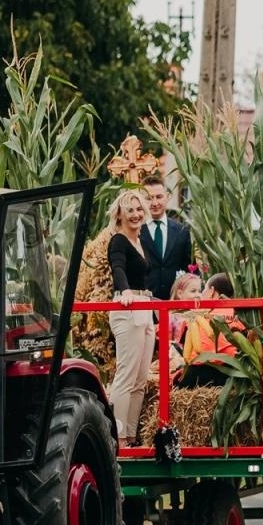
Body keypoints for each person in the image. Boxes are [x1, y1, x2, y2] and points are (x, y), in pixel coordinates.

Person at [106, 188, 155, 443]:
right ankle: (118, 437)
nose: (136, 215)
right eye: (130, 211)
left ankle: (132, 436)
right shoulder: (119, 241)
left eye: (138, 210)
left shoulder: (140, 241)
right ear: (120, 215)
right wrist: (124, 290)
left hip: (145, 306)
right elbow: (118, 267)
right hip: (129, 306)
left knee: (140, 378)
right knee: (125, 376)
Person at [179, 273, 243, 388]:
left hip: (199, 376)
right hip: (233, 376)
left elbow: (187, 353)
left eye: (204, 289)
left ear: (212, 291)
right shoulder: (241, 316)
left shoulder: (197, 316)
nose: (200, 294)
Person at [141, 174, 193, 300]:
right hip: (144, 306)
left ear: (167, 197)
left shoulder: (182, 231)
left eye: (159, 197)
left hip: (175, 305)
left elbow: (190, 268)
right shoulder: (136, 231)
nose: (154, 203)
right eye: (148, 198)